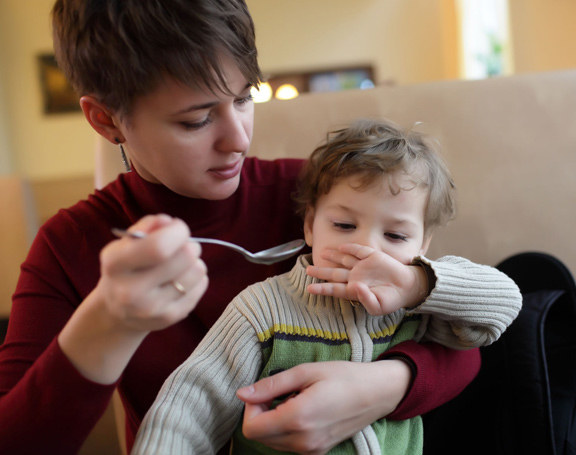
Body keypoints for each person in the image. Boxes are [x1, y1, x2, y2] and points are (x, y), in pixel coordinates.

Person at [0, 1, 519, 454]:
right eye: (196, 120)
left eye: (246, 97)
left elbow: (464, 339)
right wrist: (110, 322)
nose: (238, 138)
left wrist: (384, 385)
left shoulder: (323, 198)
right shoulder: (71, 246)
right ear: (106, 120)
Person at [131, 119, 522, 455]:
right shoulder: (263, 309)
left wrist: (417, 283)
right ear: (309, 226)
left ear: (422, 245)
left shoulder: (415, 303)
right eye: (344, 226)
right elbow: (190, 408)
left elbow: (504, 304)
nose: (366, 247)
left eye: (396, 236)